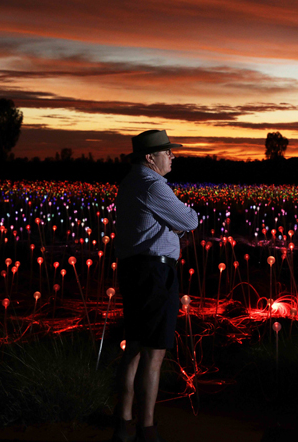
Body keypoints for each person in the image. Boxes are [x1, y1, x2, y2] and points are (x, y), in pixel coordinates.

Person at [112, 129, 199, 442]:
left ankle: (122, 424)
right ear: (150, 158)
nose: (172, 156)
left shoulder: (129, 183)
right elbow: (189, 220)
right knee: (154, 353)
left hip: (134, 271)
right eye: (167, 151)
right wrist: (179, 225)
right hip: (154, 275)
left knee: (134, 348)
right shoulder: (153, 186)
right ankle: (146, 429)